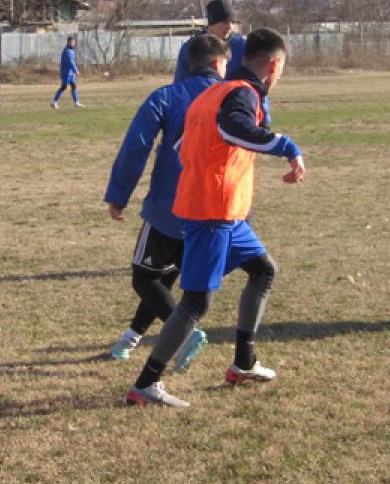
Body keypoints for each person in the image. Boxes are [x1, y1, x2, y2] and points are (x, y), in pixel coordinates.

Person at [127, 28, 306, 408]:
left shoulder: (214, 91)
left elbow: (190, 144)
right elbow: (234, 129)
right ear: (274, 65)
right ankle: (146, 383)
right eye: (282, 68)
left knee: (263, 270)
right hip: (213, 210)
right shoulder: (242, 93)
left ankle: (244, 362)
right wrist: (288, 147)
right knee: (196, 302)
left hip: (224, 210)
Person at [104, 35, 230, 370]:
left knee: (144, 279)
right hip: (216, 210)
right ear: (218, 64)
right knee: (165, 277)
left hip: (170, 207)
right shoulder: (234, 97)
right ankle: (131, 337)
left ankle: (184, 334)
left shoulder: (167, 96)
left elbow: (136, 146)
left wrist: (118, 194)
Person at [174, 0, 246, 82]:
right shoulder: (191, 48)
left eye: (232, 22)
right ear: (211, 23)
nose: (230, 27)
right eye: (225, 22)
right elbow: (180, 82)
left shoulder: (241, 46)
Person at [52, 36, 83, 108]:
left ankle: (76, 103)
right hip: (66, 72)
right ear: (68, 42)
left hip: (70, 73)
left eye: (74, 42)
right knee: (64, 87)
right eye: (72, 42)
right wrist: (76, 70)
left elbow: (72, 62)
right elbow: (70, 62)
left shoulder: (71, 51)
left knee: (74, 86)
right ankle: (54, 102)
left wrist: (74, 70)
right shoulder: (67, 51)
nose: (73, 44)